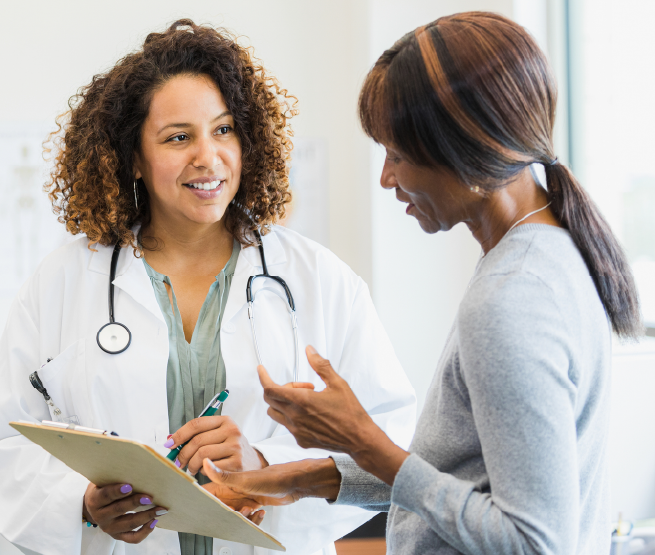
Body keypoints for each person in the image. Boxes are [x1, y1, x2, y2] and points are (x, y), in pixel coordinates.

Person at [0, 19, 416, 555]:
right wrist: (81, 500)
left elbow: (395, 447)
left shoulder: (319, 279)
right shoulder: (62, 281)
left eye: (223, 130)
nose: (207, 156)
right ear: (133, 157)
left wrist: (266, 464)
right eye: (178, 137)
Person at [200, 11, 645, 555]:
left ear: (465, 149)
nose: (387, 178)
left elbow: (532, 542)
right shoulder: (551, 253)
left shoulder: (511, 298)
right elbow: (468, 484)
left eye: (398, 155)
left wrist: (363, 440)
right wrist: (300, 478)